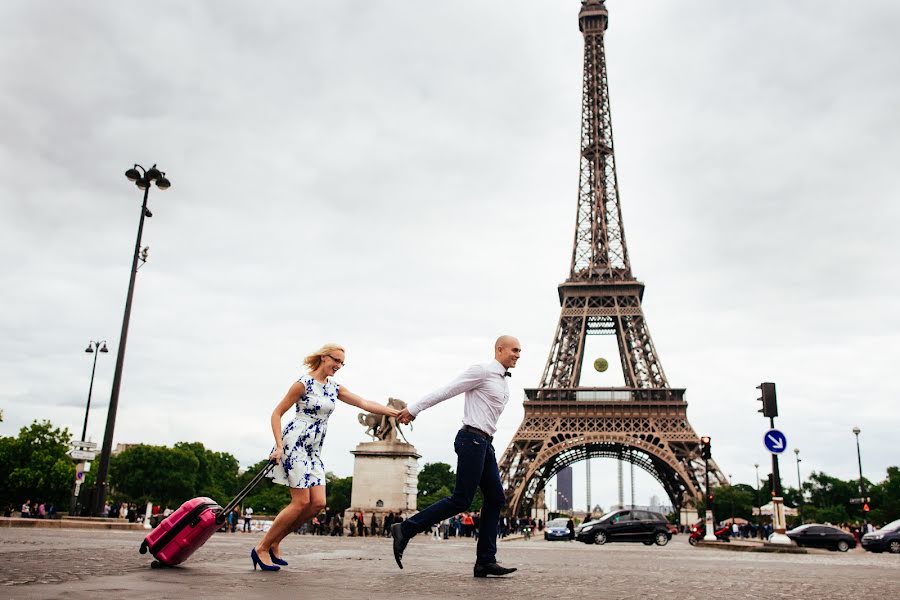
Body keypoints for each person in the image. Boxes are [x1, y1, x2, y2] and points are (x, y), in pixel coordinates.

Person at [251, 343, 400, 571]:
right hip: (295, 444)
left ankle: (275, 542)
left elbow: (364, 403)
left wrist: (394, 413)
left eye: (342, 363)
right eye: (336, 361)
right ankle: (261, 547)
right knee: (300, 502)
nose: (339, 366)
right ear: (323, 357)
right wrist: (279, 446)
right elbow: (277, 413)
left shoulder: (334, 388)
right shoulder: (303, 384)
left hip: (314, 450)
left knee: (317, 504)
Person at [392, 335, 521, 578]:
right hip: (471, 439)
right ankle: (406, 529)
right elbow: (448, 390)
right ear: (499, 349)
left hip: (485, 443)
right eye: (514, 350)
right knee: (462, 500)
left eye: (520, 351)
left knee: (495, 498)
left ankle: (485, 560)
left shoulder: (503, 381)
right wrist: (413, 409)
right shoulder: (481, 371)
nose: (518, 355)